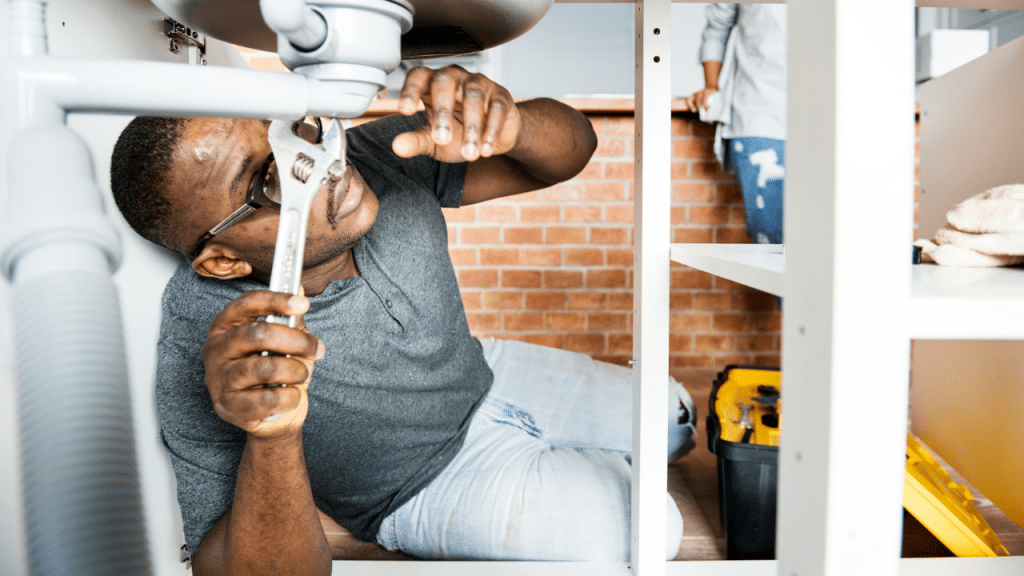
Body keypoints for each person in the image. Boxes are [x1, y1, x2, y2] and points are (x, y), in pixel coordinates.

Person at [110, 65, 697, 575]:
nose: (322, 166)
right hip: (420, 486)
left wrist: (511, 122)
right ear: (223, 260)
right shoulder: (206, 340)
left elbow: (574, 150)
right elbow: (228, 564)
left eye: (297, 132)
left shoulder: (374, 156)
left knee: (676, 418)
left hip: (485, 373)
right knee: (654, 527)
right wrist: (273, 433)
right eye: (270, 177)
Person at [685, 3, 787, 245]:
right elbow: (716, 29)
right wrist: (711, 86)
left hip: (829, 119)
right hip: (758, 115)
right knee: (772, 241)